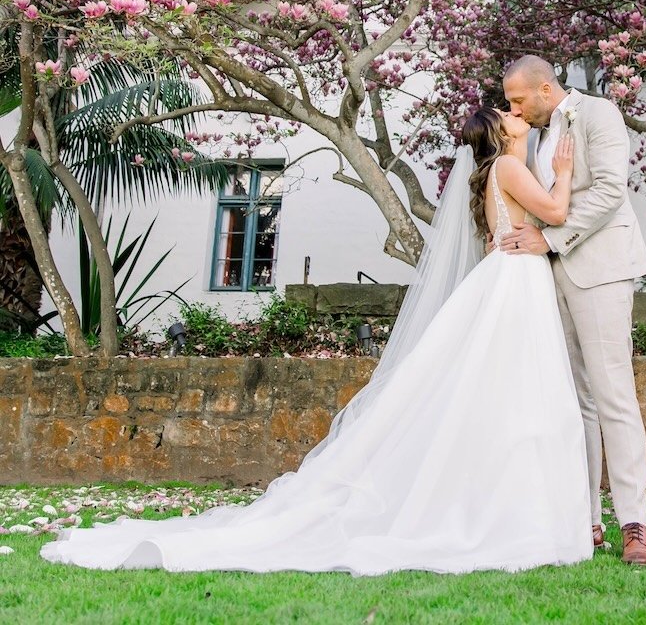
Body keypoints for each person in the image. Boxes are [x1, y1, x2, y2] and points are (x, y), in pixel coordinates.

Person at [40, 108, 593, 575]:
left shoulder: (500, 169)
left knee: (514, 395)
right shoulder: (512, 167)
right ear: (502, 133)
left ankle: (515, 507)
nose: (517, 114)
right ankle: (521, 512)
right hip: (515, 283)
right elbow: (557, 212)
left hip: (511, 279)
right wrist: (564, 173)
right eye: (509, 113)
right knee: (523, 393)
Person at [500, 55, 646, 566]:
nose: (513, 109)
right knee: (577, 401)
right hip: (550, 277)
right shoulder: (535, 135)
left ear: (545, 89)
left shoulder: (598, 114)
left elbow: (611, 190)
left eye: (518, 99)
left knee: (614, 395)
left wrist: (549, 239)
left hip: (601, 268)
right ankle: (586, 518)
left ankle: (634, 524)